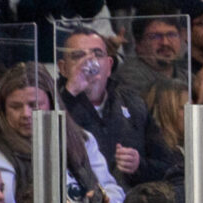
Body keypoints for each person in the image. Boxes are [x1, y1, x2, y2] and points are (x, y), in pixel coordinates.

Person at [0, 63, 122, 203]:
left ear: (51, 104)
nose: (25, 114)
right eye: (15, 106)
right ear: (2, 110)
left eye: (34, 105)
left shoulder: (82, 140)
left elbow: (111, 188)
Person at [58, 27, 149, 189]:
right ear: (63, 68)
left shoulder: (134, 104)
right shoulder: (51, 103)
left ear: (109, 65)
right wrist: (70, 93)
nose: (88, 63)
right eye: (78, 56)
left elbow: (165, 163)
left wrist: (139, 165)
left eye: (97, 55)